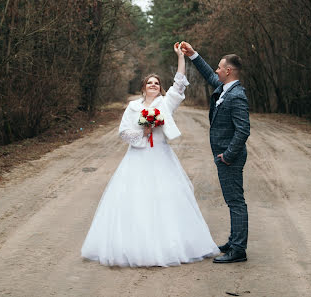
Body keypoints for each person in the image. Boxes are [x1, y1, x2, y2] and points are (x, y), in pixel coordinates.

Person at [81, 42, 220, 267]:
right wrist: (144, 132)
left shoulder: (166, 104)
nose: (154, 85)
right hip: (137, 157)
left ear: (160, 88)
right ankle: (135, 247)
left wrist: (181, 57)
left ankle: (169, 245)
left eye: (157, 83)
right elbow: (123, 132)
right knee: (135, 199)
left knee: (165, 199)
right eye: (150, 83)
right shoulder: (132, 107)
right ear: (143, 87)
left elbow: (179, 84)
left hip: (162, 156)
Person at [180, 42, 250, 263]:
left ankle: (238, 250)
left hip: (230, 158)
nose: (217, 70)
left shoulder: (236, 95)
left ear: (228, 71)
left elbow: (243, 130)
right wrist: (193, 55)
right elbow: (209, 75)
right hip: (225, 156)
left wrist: (228, 156)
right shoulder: (224, 88)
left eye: (220, 67)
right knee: (233, 201)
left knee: (235, 202)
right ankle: (234, 241)